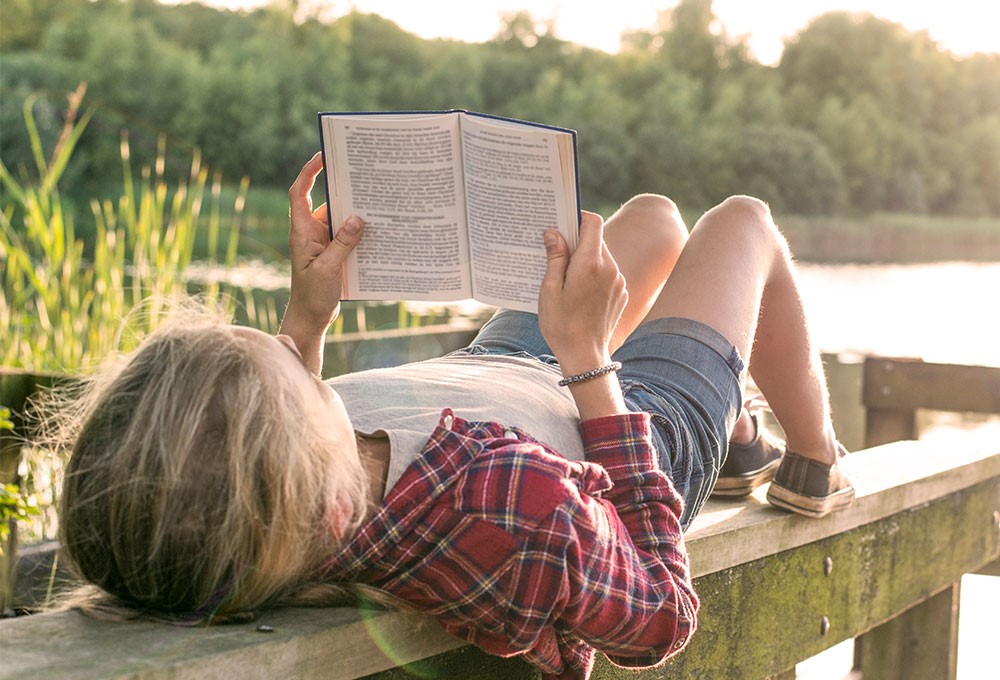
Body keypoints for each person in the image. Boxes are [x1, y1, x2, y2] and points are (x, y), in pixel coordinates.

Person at [56, 153, 853, 679]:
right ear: (332, 499)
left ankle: (741, 430)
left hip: (497, 374)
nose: (293, 354)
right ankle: (807, 458)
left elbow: (275, 442)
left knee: (647, 221)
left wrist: (310, 317)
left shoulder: (292, 502)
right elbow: (659, 615)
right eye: (295, 372)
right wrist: (584, 358)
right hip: (614, 423)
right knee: (740, 223)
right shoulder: (504, 508)